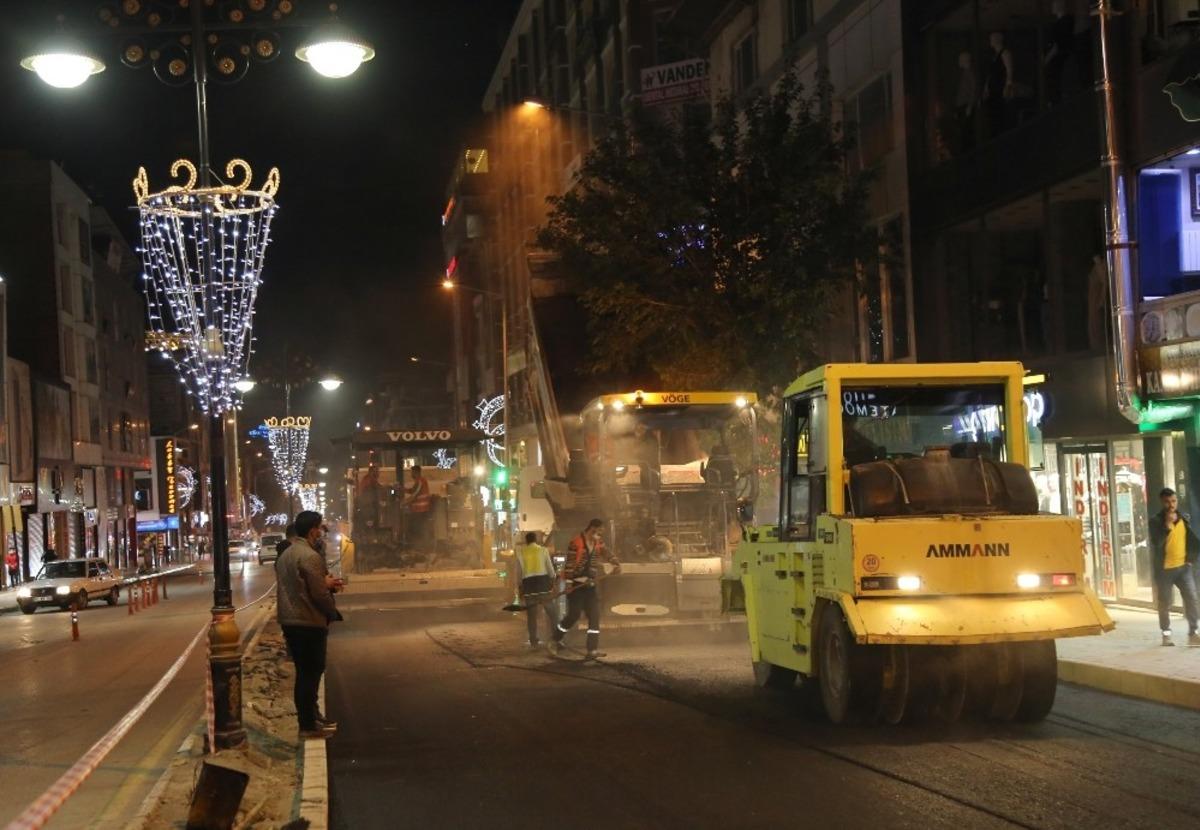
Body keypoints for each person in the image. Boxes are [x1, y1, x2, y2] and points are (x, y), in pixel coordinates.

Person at [276, 510, 344, 739]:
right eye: (319, 527)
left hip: (290, 620)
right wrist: (331, 611)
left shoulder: (287, 554)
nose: (320, 532)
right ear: (312, 530)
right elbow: (318, 593)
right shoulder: (309, 556)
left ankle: (312, 717)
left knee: (304, 672)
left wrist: (324, 584)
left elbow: (301, 584)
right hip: (308, 620)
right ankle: (308, 724)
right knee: (311, 673)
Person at [549, 519, 621, 659]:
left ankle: (592, 650)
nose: (600, 534)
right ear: (592, 528)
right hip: (576, 586)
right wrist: (568, 584)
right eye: (599, 530)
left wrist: (615, 563)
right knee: (574, 615)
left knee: (594, 617)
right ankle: (555, 639)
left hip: (590, 586)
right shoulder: (576, 543)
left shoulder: (597, 542)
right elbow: (569, 564)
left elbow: (607, 553)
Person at [1146, 488, 1200, 647]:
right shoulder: (1155, 521)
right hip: (1165, 570)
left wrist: (1190, 559)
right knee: (1165, 602)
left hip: (1184, 568)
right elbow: (1156, 543)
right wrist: (1167, 526)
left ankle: (1193, 633)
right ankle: (1166, 634)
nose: (1171, 505)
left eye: (1174, 501)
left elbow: (1191, 540)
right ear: (1162, 502)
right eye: (1167, 502)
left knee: (1192, 599)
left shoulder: (1184, 518)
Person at [515, 531, 558, 648]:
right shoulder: (543, 550)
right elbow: (550, 569)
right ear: (536, 540)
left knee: (532, 616)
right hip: (543, 585)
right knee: (552, 613)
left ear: (526, 541)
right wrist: (553, 579)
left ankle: (533, 640)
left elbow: (519, 573)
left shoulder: (521, 552)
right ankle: (557, 638)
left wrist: (520, 587)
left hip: (529, 586)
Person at [404, 465, 433, 545]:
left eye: (412, 472)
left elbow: (414, 495)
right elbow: (413, 491)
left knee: (416, 527)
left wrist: (404, 503)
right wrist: (403, 489)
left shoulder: (420, 481)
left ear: (417, 472)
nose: (411, 474)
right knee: (418, 527)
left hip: (421, 509)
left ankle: (419, 544)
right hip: (420, 509)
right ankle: (419, 544)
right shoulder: (419, 481)